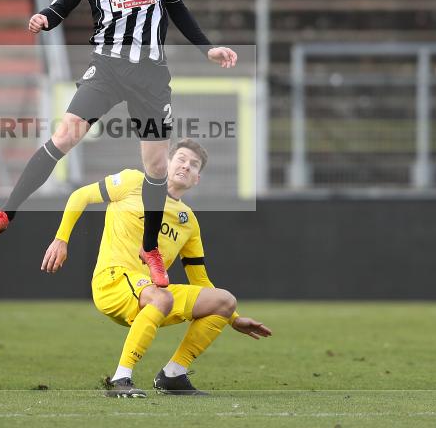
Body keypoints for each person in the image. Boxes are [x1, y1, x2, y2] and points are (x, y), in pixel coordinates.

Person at [0, 0, 238, 290]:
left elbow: (178, 8)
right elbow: (61, 5)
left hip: (150, 76)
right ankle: (5, 214)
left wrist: (208, 49)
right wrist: (44, 18)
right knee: (64, 136)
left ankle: (150, 249)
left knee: (156, 167)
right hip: (108, 70)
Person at [40, 139, 271, 397]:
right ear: (167, 163)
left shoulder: (188, 221)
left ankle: (173, 374)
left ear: (197, 179)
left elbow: (200, 280)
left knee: (224, 300)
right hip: (112, 281)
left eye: (194, 165)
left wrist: (234, 318)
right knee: (162, 296)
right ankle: (120, 379)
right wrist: (61, 239)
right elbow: (80, 195)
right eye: (181, 159)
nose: (186, 166)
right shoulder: (133, 181)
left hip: (151, 293)